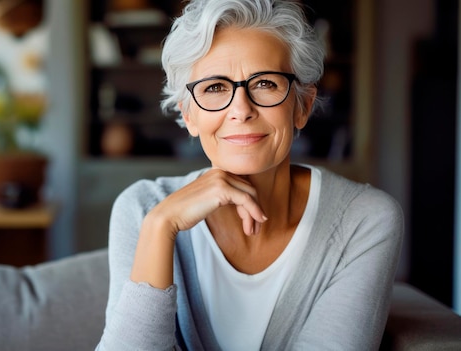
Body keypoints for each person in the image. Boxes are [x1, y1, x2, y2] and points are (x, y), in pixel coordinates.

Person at [96, 0, 403, 350]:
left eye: (265, 84)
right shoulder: (143, 209)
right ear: (190, 116)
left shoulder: (364, 219)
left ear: (302, 106)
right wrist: (159, 226)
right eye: (214, 88)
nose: (241, 110)